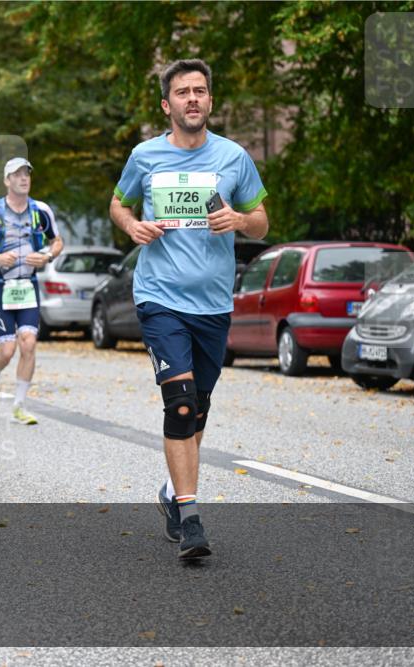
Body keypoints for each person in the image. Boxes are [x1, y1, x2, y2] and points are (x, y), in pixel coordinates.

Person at [109, 59, 269, 559]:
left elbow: (262, 223)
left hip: (214, 304)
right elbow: (118, 204)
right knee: (178, 402)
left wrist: (240, 220)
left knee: (196, 408)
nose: (192, 99)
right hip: (160, 297)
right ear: (167, 104)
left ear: (210, 101)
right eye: (182, 92)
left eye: (200, 91)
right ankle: (192, 518)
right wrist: (131, 226)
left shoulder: (233, 157)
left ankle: (171, 494)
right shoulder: (145, 155)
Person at [0, 158, 63, 426]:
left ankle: (19, 405)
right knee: (7, 351)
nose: (23, 179)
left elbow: (58, 242)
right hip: (1, 288)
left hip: (28, 286)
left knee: (29, 344)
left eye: (26, 174)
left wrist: (47, 257)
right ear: (7, 180)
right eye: (16, 175)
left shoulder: (40, 211)